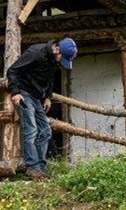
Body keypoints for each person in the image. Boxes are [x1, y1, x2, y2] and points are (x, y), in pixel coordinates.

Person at [6, 37, 77, 180]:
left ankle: (41, 167)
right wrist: (15, 92)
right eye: (61, 58)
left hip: (37, 96)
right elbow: (13, 71)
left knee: (45, 131)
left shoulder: (54, 60)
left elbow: (49, 79)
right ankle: (32, 167)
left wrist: (48, 97)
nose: (60, 62)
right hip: (24, 93)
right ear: (57, 49)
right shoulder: (35, 52)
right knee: (31, 129)